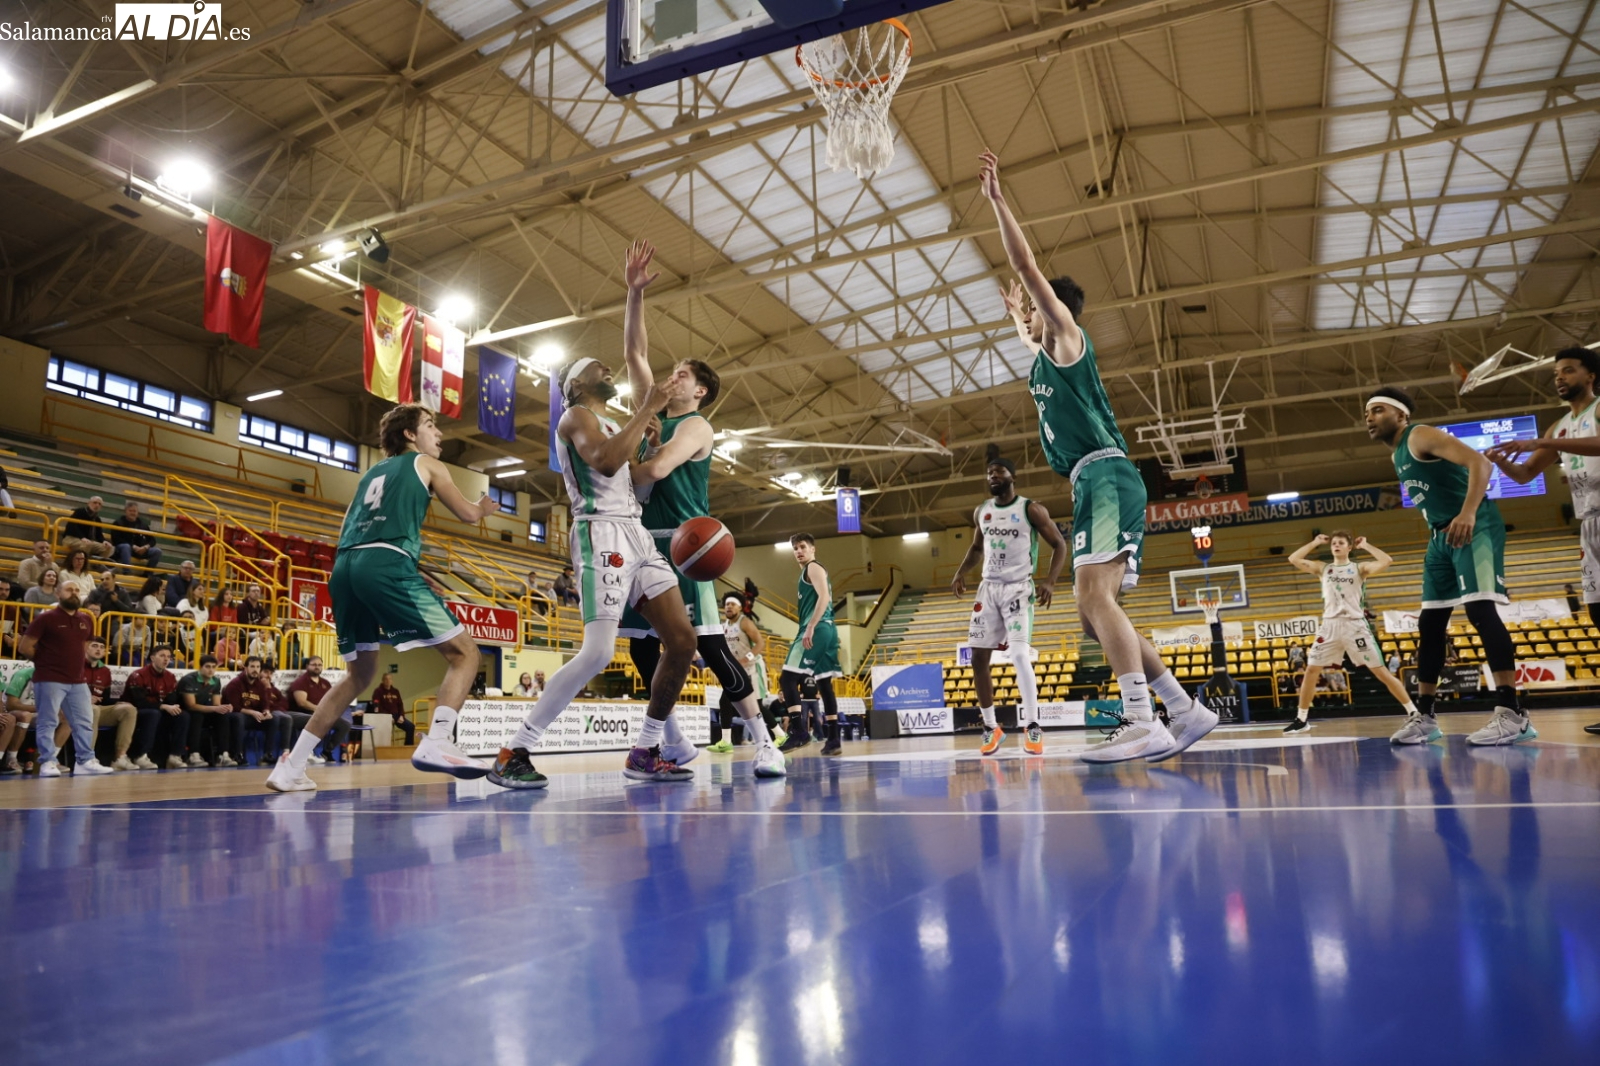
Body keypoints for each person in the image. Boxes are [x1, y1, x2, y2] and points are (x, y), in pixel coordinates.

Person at [980, 148, 1216, 763]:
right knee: (1095, 615)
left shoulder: (1066, 339)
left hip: (1106, 476)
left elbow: (1029, 267)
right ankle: (1185, 711)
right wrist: (1016, 319)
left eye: (1033, 308)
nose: (1028, 313)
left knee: (1092, 599)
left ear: (1051, 311)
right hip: (1098, 482)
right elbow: (1028, 321)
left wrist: (999, 203)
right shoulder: (1042, 354)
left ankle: (1141, 720)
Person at [488, 346, 696, 790]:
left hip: (635, 532)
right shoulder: (575, 417)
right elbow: (602, 460)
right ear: (577, 384)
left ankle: (646, 748)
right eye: (595, 365)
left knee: (681, 640)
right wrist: (644, 412)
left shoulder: (611, 424)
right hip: (600, 533)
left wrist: (650, 442)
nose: (607, 366)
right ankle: (514, 750)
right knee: (599, 653)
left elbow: (634, 478)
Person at [267, 404, 502, 792]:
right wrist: (483, 508)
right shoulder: (427, 463)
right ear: (410, 435)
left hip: (344, 566)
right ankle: (438, 743)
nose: (438, 434)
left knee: (358, 674)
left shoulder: (369, 475)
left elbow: (346, 527)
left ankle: (290, 767)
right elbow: (466, 514)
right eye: (430, 425)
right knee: (466, 654)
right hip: (386, 561)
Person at [617, 240, 784, 778]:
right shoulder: (653, 408)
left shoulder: (695, 425)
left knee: (712, 653)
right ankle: (675, 744)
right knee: (645, 652)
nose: (673, 376)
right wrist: (634, 294)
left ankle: (765, 741)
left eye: (685, 374)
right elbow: (635, 356)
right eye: (675, 371)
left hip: (687, 547)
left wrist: (620, 467)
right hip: (644, 543)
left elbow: (657, 471)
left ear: (702, 390)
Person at [1364, 386, 1528, 745]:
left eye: (1377, 410)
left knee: (1481, 612)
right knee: (1430, 622)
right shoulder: (1397, 457)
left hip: (1473, 523)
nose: (1369, 418)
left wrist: (1468, 512)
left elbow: (1480, 463)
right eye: (1367, 414)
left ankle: (1511, 714)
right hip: (1441, 536)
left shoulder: (1420, 434)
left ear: (1401, 415)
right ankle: (1424, 716)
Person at [1485, 347, 1600, 735]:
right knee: (1599, 614)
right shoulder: (1559, 426)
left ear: (1591, 376)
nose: (1560, 378)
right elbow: (1522, 476)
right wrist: (1499, 460)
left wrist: (1543, 445)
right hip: (1590, 525)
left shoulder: (1597, 410)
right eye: (1556, 374)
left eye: (1568, 371)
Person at [950, 457, 1069, 755]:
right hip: (988, 590)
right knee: (978, 659)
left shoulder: (1031, 509)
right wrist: (960, 572)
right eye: (989, 472)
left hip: (1018, 589)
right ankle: (991, 728)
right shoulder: (983, 511)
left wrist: (1050, 582)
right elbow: (977, 547)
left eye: (999, 471)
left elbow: (1060, 545)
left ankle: (1032, 726)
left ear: (1012, 476)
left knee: (1018, 654)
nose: (992, 476)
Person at [1283, 532, 1419, 733]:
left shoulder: (1359, 568)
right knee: (1311, 670)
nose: (1336, 545)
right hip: (1329, 625)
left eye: (1341, 543)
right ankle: (1302, 719)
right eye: (1334, 543)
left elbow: (1386, 560)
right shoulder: (1323, 568)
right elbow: (1293, 559)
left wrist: (1366, 545)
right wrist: (1314, 543)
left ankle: (1414, 713)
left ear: (1349, 548)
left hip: (1354, 626)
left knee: (1380, 671)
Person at [16, 580, 112, 777]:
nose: (74, 593)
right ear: (58, 594)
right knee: (48, 721)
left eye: (77, 590)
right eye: (69, 590)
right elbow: (24, 647)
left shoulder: (85, 620)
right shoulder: (46, 619)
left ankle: (85, 761)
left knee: (84, 721)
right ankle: (47, 762)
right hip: (50, 678)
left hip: (77, 681)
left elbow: (83, 646)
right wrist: (46, 662)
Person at [775, 534, 848, 756]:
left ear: (812, 549)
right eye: (795, 548)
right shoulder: (807, 571)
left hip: (818, 627)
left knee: (787, 678)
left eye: (802, 547)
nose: (798, 551)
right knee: (824, 684)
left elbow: (824, 597)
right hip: (827, 630)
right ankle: (834, 739)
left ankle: (799, 731)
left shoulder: (813, 568)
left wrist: (810, 627)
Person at [79, 637, 144, 770]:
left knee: (128, 709)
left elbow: (106, 699)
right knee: (94, 709)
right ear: (86, 647)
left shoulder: (105, 671)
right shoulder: (75, 666)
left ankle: (120, 757)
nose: (98, 649)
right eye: (95, 646)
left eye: (102, 647)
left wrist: (119, 703)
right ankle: (87, 758)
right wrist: (84, 698)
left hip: (96, 709)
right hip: (75, 709)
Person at [122, 644, 187, 768]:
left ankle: (175, 755)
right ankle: (141, 756)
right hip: (135, 711)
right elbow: (139, 702)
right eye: (162, 656)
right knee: (153, 714)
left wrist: (171, 706)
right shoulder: (138, 675)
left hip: (158, 710)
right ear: (152, 658)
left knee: (182, 715)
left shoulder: (170, 676)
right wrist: (163, 706)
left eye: (169, 657)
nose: (166, 659)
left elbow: (171, 699)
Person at [174, 655, 242, 767]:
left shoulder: (215, 681)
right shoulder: (189, 680)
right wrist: (215, 708)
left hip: (205, 710)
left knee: (222, 715)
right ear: (200, 667)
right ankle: (193, 755)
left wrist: (224, 707)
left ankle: (223, 755)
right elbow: (191, 705)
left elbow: (216, 704)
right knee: (197, 715)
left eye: (213, 667)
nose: (211, 670)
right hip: (186, 713)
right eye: (207, 667)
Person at [222, 655, 293, 759]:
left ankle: (267, 754)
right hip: (237, 715)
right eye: (252, 666)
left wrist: (266, 711)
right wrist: (252, 712)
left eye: (258, 667)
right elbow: (234, 706)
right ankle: (238, 754)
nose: (255, 670)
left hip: (253, 716)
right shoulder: (235, 684)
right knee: (239, 718)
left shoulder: (260, 685)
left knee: (274, 719)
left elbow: (265, 703)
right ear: (246, 668)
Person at [286, 656, 348, 765]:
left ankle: (327, 752)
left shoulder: (325, 683)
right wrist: (320, 710)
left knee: (344, 724)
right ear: (307, 666)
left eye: (319, 665)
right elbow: (302, 702)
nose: (317, 667)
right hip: (302, 714)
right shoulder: (301, 682)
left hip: (321, 714)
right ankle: (306, 753)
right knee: (315, 720)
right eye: (314, 665)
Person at [110, 501, 164, 571]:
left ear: (137, 512)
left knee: (157, 551)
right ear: (125, 511)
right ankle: (127, 572)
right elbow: (116, 539)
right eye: (130, 511)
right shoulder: (118, 523)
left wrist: (145, 547)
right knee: (126, 547)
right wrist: (133, 546)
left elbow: (152, 540)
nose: (132, 513)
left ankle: (148, 574)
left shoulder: (143, 525)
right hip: (123, 549)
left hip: (141, 549)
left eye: (134, 511)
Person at [62, 495, 115, 559]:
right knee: (87, 544)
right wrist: (82, 538)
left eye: (99, 504)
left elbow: (99, 534)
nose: (97, 505)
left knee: (109, 548)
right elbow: (72, 526)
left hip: (88, 541)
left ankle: (98, 566)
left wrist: (104, 541)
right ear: (89, 503)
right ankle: (84, 566)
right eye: (95, 503)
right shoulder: (79, 512)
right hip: (72, 538)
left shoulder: (97, 519)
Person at [369, 672, 413, 745]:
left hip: (397, 716)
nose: (388, 681)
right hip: (384, 716)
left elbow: (400, 705)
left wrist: (402, 715)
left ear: (392, 681)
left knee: (410, 727)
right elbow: (377, 706)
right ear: (382, 680)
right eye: (386, 679)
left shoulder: (396, 691)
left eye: (390, 679)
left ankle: (407, 748)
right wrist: (387, 717)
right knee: (386, 731)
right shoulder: (378, 691)